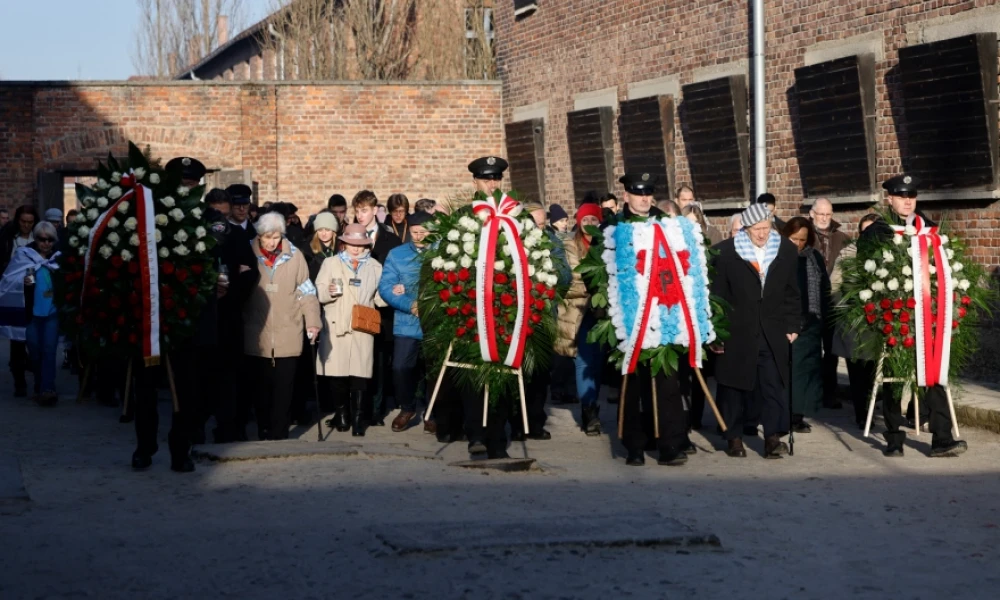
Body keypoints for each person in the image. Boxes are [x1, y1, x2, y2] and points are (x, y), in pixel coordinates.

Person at [860, 175, 966, 457]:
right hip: (895, 316)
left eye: (911, 196)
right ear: (890, 199)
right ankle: (894, 437)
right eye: (901, 196)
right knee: (895, 377)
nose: (907, 201)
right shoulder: (878, 232)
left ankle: (941, 438)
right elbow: (864, 274)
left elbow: (944, 266)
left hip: (928, 315)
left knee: (934, 371)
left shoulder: (929, 229)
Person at [610, 172, 690, 466]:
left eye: (648, 193)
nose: (644, 199)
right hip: (629, 318)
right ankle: (634, 445)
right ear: (627, 195)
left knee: (667, 383)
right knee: (631, 385)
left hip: (664, 313)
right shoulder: (614, 227)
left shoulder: (666, 224)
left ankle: (669, 444)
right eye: (638, 193)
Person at [711, 202, 801, 459]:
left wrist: (793, 324)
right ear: (746, 228)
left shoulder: (785, 249)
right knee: (734, 387)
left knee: (773, 384)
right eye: (756, 229)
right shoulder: (725, 253)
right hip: (736, 330)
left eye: (767, 227)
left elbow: (792, 292)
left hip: (773, 330)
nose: (762, 234)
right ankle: (734, 437)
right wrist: (716, 333)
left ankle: (773, 438)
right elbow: (717, 297)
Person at [243, 212, 321, 441]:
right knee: (261, 389)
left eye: (276, 237)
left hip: (289, 331)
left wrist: (313, 322)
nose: (271, 242)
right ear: (259, 235)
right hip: (257, 332)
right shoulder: (248, 252)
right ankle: (263, 428)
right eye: (267, 237)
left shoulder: (295, 256)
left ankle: (279, 433)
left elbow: (307, 292)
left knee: (284, 390)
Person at [315, 223, 384, 436]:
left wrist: (393, 294)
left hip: (362, 325)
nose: (356, 248)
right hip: (336, 322)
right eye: (352, 243)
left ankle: (357, 419)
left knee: (360, 375)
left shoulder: (375, 266)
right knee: (337, 374)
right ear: (344, 243)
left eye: (360, 244)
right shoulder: (330, 263)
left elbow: (379, 296)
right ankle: (342, 414)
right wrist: (329, 291)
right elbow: (318, 290)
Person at [204, 187, 260, 443]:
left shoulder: (235, 235)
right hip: (201, 316)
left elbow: (251, 273)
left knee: (230, 376)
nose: (220, 221)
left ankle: (228, 427)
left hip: (229, 314)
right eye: (216, 214)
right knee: (202, 376)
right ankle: (196, 426)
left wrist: (232, 292)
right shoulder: (196, 234)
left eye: (224, 215)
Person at [379, 212, 436, 433]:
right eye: (415, 232)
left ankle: (432, 412)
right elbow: (386, 287)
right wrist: (410, 304)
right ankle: (407, 407)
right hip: (407, 321)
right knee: (401, 366)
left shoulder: (442, 252)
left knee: (434, 370)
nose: (419, 236)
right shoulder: (397, 254)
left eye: (423, 232)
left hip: (435, 322)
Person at [352, 190, 401, 426]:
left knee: (380, 360)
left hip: (382, 309)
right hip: (358, 304)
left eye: (364, 210)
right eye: (357, 211)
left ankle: (377, 410)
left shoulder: (390, 239)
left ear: (374, 210)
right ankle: (358, 407)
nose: (360, 215)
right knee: (358, 357)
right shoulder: (349, 236)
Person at [555, 202, 604, 434]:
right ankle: (589, 411)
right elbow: (572, 278)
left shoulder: (606, 244)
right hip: (577, 311)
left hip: (602, 312)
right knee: (584, 361)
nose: (590, 224)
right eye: (585, 220)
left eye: (594, 220)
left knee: (598, 362)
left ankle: (592, 403)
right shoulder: (568, 244)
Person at [0, 222, 60, 405]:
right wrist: (22, 281)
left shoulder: (59, 259)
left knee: (49, 351)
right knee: (35, 352)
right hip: (32, 314)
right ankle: (40, 385)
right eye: (42, 239)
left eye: (50, 239)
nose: (46, 243)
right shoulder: (24, 255)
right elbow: (9, 279)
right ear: (36, 238)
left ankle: (47, 389)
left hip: (52, 313)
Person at [831, 212, 880, 429]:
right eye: (865, 231)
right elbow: (834, 285)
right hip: (853, 322)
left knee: (873, 370)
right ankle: (861, 413)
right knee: (857, 371)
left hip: (878, 321)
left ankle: (873, 409)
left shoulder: (886, 256)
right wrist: (845, 308)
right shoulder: (848, 254)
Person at [782, 217, 831, 433]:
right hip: (790, 321)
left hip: (812, 320)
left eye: (802, 240)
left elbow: (824, 288)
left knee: (808, 370)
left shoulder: (813, 258)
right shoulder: (780, 257)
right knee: (793, 370)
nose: (798, 244)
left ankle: (798, 414)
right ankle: (787, 414)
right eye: (794, 239)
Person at [810, 197, 851, 409]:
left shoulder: (842, 238)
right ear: (812, 214)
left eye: (828, 214)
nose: (824, 218)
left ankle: (829, 393)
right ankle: (811, 392)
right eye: (820, 214)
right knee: (810, 349)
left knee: (831, 350)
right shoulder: (804, 236)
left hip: (833, 302)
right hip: (810, 301)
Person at [0, 205, 38, 397]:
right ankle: (19, 380)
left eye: (30, 222)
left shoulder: (37, 238)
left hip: (33, 291)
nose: (26, 225)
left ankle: (31, 366)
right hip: (13, 292)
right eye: (23, 222)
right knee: (16, 338)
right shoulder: (8, 238)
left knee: (32, 335)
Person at [307, 212, 339, 281]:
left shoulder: (340, 249)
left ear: (333, 231)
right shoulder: (308, 252)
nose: (324, 233)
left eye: (327, 230)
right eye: (320, 230)